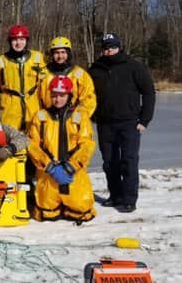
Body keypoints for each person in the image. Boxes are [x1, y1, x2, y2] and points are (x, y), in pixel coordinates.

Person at [88, 33, 155, 213]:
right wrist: (92, 116)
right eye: (106, 48)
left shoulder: (134, 66)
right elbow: (87, 95)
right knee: (109, 162)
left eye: (112, 47)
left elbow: (148, 92)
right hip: (105, 123)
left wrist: (144, 120)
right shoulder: (95, 69)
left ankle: (129, 199)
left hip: (130, 123)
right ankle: (115, 195)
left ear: (119, 47)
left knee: (129, 161)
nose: (109, 51)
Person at [27, 75, 96, 222]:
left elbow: (87, 145)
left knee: (81, 210)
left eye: (62, 95)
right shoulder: (40, 117)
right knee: (47, 212)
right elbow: (32, 145)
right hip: (48, 173)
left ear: (69, 95)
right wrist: (50, 166)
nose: (58, 99)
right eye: (54, 95)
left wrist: (71, 166)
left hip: (73, 173)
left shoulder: (80, 117)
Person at [0, 24, 46, 133]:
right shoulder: (1, 61)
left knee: (34, 137)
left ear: (26, 40)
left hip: (32, 104)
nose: (18, 43)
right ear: (10, 41)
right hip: (10, 107)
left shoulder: (37, 58)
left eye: (22, 39)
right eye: (15, 40)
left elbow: (45, 82)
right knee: (10, 138)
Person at [39, 36, 96, 118]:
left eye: (63, 52)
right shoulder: (43, 73)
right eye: (56, 53)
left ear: (68, 54)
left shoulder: (79, 74)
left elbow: (89, 98)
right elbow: (35, 98)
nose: (60, 56)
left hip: (71, 119)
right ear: (52, 54)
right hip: (48, 118)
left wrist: (79, 117)